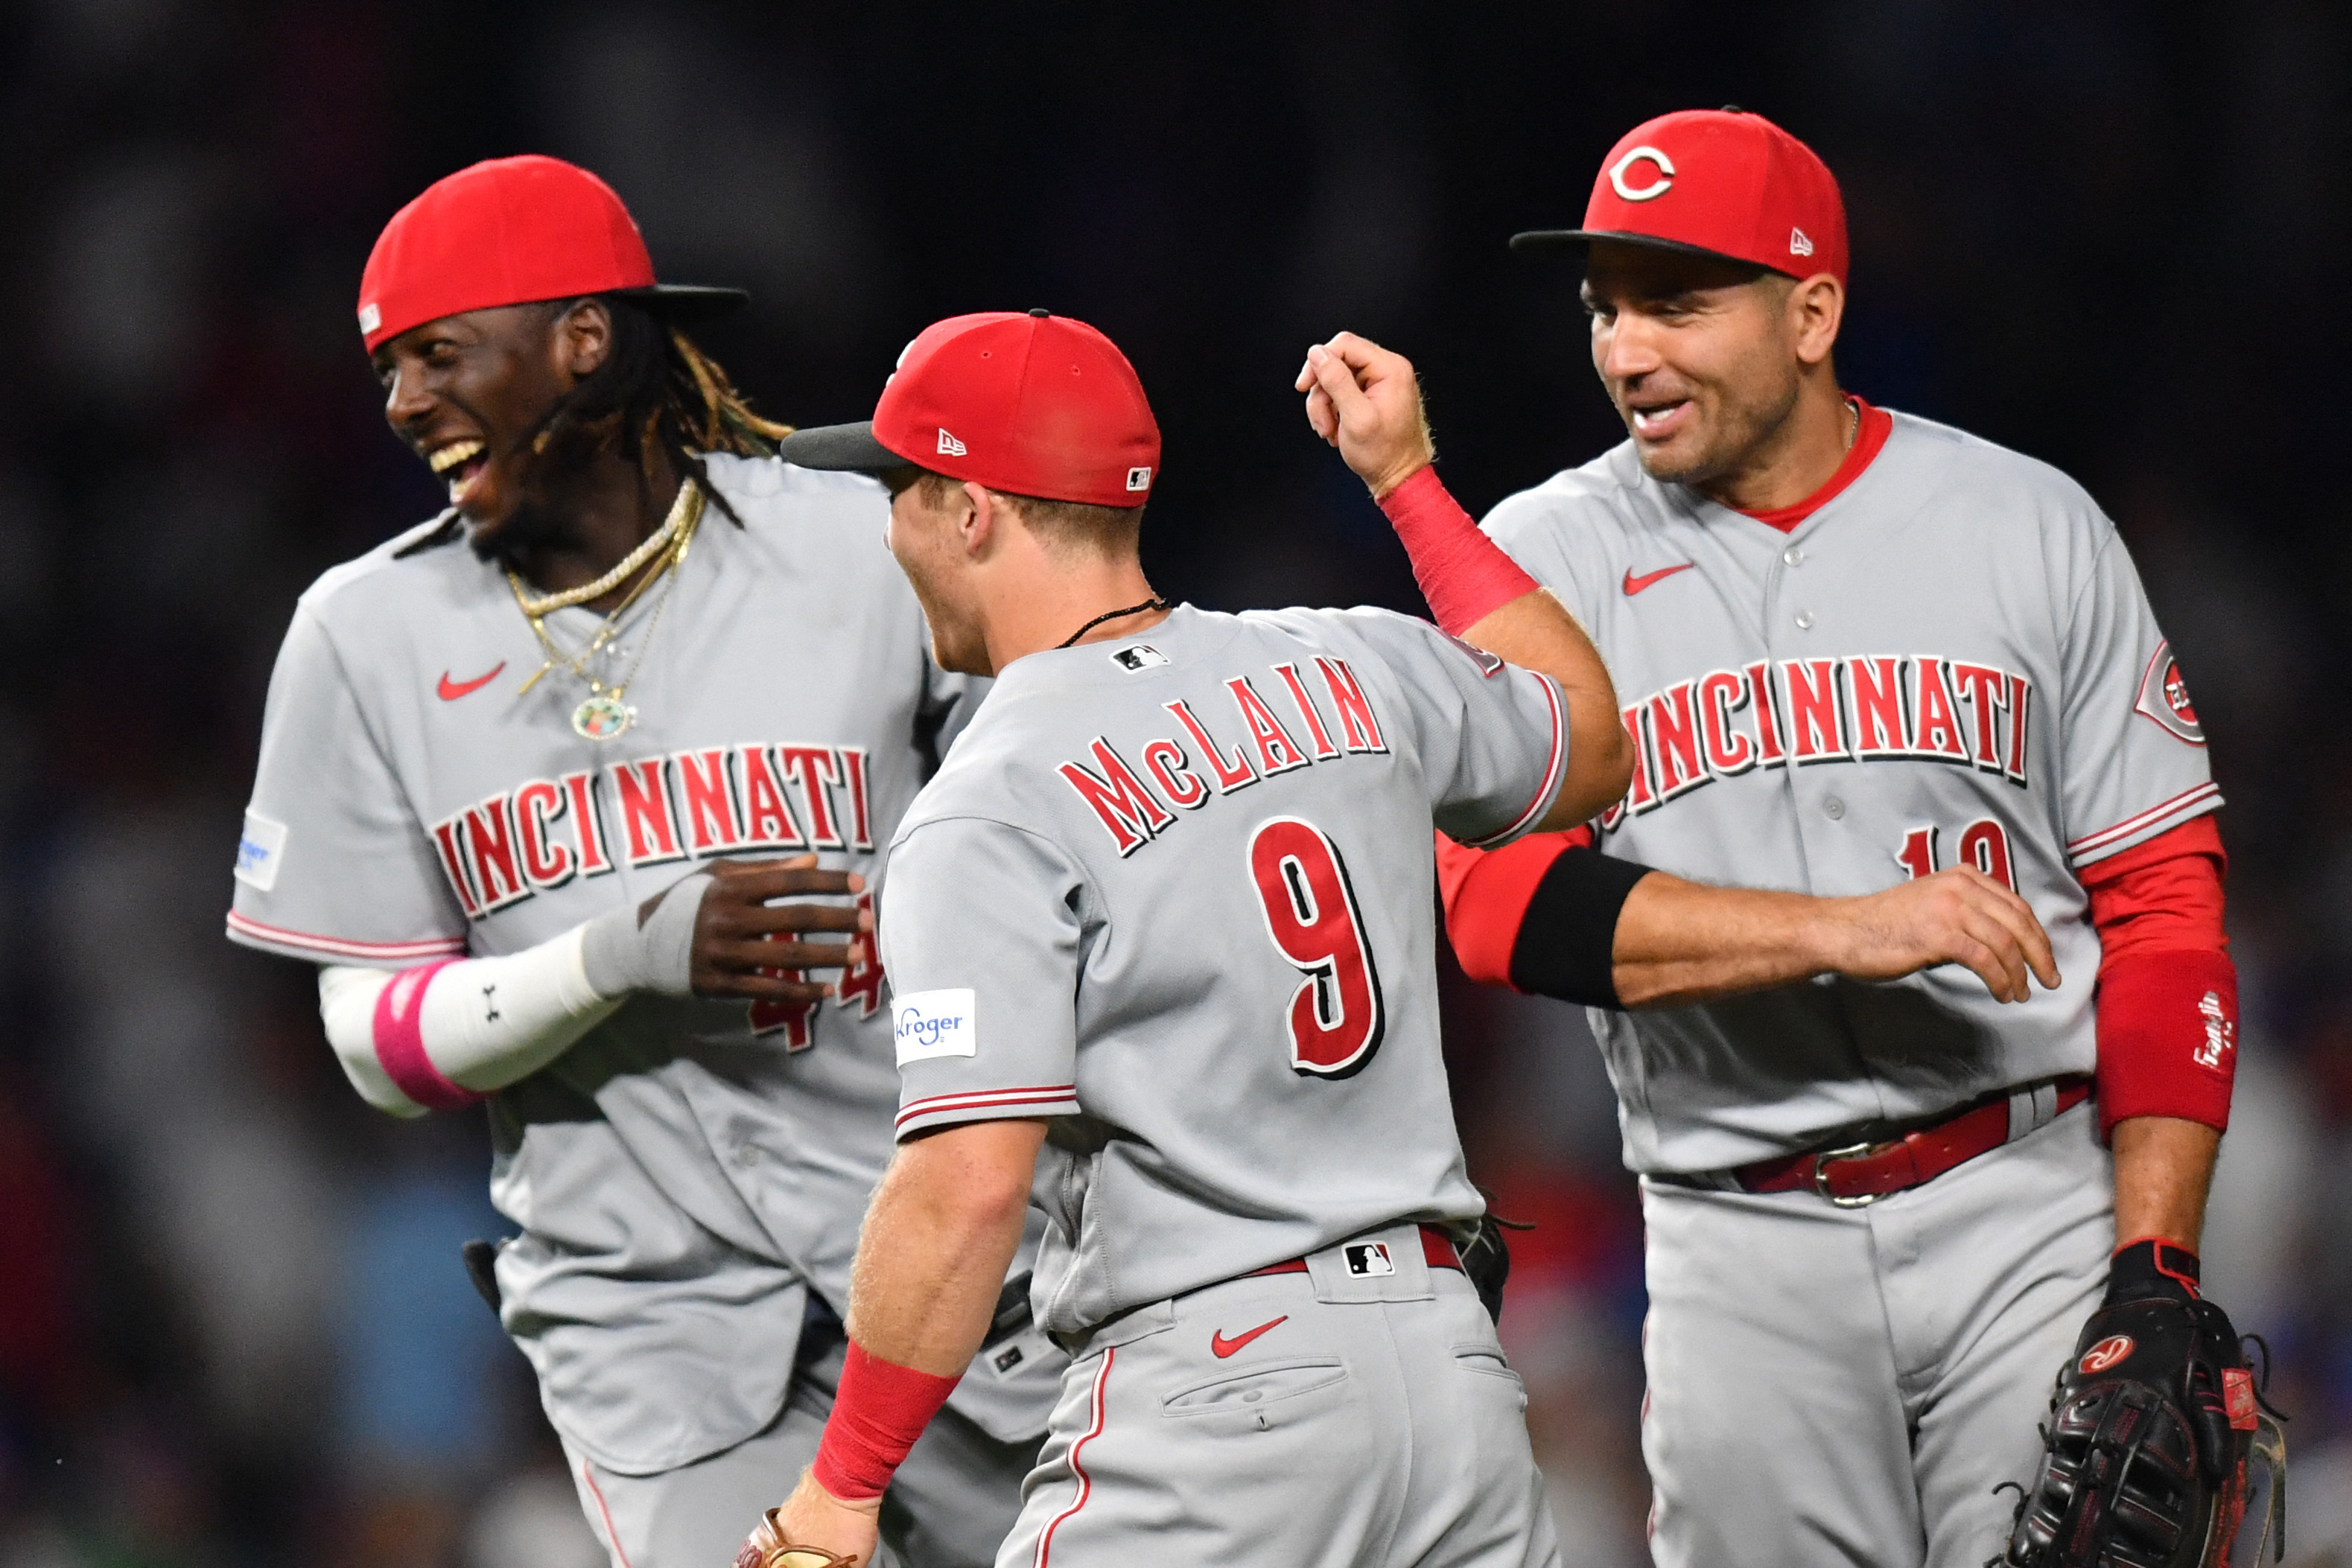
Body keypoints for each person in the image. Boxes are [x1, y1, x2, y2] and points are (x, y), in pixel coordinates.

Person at [1431, 109, 2255, 1566]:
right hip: (1735, 1233)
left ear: (1811, 309)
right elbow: (1498, 911)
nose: (1628, 349)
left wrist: (2156, 1265)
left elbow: (2161, 902)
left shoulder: (2025, 526)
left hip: (2024, 1201)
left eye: (1676, 300)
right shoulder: (1539, 559)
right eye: (1604, 306)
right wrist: (1843, 931)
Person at [223, 155, 1061, 1568]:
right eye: (387, 369)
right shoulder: (360, 633)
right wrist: (622, 955)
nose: (401, 402)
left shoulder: (863, 543)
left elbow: (1069, 840)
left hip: (964, 1262)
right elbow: (373, 1041)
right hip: (653, 1328)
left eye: (438, 355)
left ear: (584, 341)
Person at [723, 307, 1633, 1568]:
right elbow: (1588, 738)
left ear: (973, 510)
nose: (887, 526)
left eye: (901, 488)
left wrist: (842, 1484)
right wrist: (1409, 484)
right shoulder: (1347, 663)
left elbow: (967, 1180)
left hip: (1218, 1407)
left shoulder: (991, 800)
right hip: (1451, 1377)